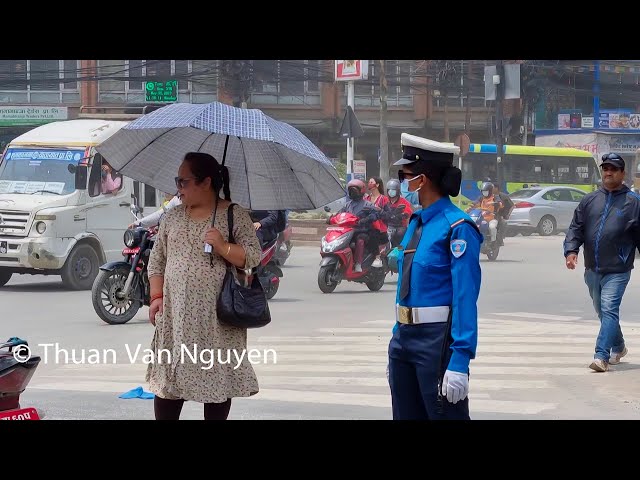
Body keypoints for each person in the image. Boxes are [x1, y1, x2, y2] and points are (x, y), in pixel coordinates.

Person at [146, 151, 262, 420]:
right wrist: (156, 297)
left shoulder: (234, 215)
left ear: (206, 182)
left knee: (218, 383)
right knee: (168, 385)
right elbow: (157, 262)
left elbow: (252, 259)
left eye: (183, 182)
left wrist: (223, 246)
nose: (178, 189)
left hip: (217, 321)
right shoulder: (172, 217)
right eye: (177, 182)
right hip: (175, 319)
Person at [388, 133, 483, 420]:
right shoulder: (417, 222)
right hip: (403, 339)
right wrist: (396, 336)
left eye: (406, 175)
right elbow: (406, 285)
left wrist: (460, 360)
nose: (403, 184)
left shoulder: (457, 227)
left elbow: (465, 297)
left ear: (423, 178)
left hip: (436, 343)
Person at [564, 153, 640, 372]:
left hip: (618, 268)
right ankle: (619, 346)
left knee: (608, 308)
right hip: (592, 268)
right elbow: (576, 227)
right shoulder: (590, 200)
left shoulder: (633, 203)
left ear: (622, 174)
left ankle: (601, 356)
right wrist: (571, 250)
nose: (608, 173)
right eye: (605, 168)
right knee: (602, 311)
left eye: (613, 169)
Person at [331, 178, 380, 272]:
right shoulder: (347, 205)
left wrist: (366, 219)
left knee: (360, 241)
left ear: (361, 190)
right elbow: (339, 213)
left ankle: (358, 263)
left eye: (355, 190)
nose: (353, 192)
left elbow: (376, 214)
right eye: (350, 190)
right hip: (348, 231)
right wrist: (331, 218)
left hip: (362, 231)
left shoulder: (368, 204)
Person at [383, 178, 412, 246]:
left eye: (393, 190)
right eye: (389, 190)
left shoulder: (404, 202)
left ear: (398, 191)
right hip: (387, 225)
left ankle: (400, 251)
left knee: (400, 233)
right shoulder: (385, 200)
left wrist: (403, 215)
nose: (391, 191)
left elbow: (408, 211)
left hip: (400, 226)